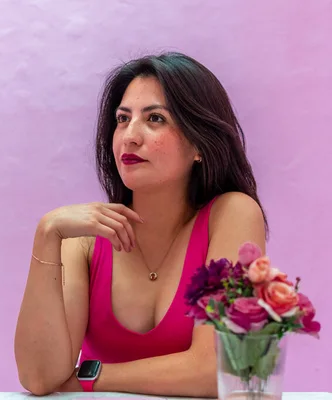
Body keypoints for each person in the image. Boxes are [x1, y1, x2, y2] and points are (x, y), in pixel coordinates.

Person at [14, 52, 267, 398]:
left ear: (198, 144)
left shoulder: (232, 214)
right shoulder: (85, 239)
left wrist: (88, 377)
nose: (130, 136)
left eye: (155, 119)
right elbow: (40, 377)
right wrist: (47, 234)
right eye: (122, 118)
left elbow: (221, 369)